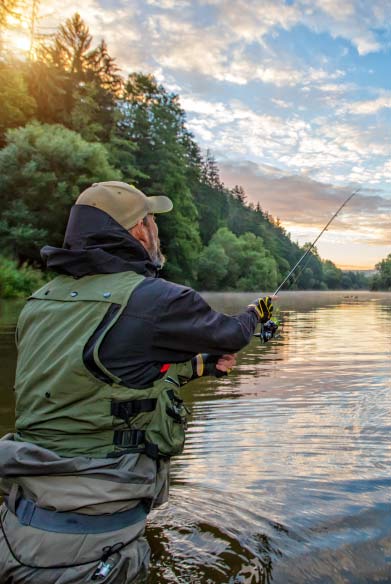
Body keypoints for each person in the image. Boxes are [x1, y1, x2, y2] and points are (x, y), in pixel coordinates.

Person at [0, 181, 273, 583]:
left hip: (17, 528)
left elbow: (101, 377)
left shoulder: (41, 301)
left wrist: (202, 366)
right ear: (139, 231)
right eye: (153, 222)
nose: (157, 233)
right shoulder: (156, 300)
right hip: (87, 553)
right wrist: (256, 311)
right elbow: (232, 334)